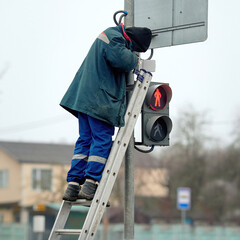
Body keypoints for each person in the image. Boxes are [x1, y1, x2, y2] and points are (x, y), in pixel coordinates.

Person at [60, 23, 152, 201]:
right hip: (98, 101)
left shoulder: (111, 34)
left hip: (85, 100)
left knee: (85, 141)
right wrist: (137, 61)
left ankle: (72, 186)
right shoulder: (115, 37)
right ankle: (90, 184)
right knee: (101, 140)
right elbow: (123, 60)